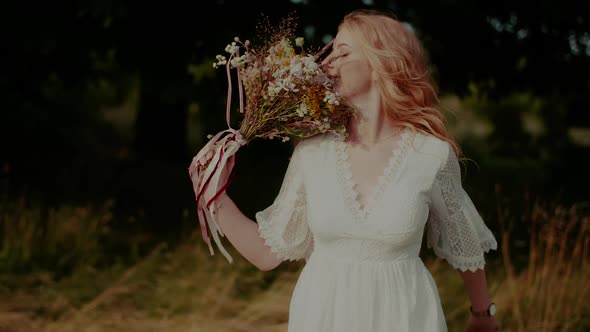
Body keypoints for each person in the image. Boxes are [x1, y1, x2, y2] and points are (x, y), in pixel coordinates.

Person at [196, 9, 500, 332]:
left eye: (343, 52)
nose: (327, 63)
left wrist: (482, 315)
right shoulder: (311, 154)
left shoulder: (430, 155)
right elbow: (266, 254)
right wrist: (213, 195)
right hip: (323, 318)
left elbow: (465, 241)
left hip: (405, 319)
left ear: (384, 62)